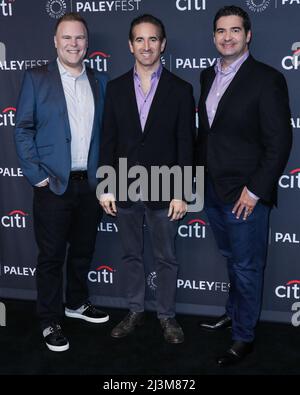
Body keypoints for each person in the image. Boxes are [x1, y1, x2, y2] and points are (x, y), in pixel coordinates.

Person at [196, 5, 292, 366]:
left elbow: (279, 142)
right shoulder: (208, 76)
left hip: (245, 195)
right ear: (214, 37)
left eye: (235, 30)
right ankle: (234, 313)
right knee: (231, 260)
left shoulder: (267, 79)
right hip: (212, 189)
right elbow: (207, 134)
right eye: (221, 31)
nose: (227, 37)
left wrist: (254, 191)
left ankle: (244, 337)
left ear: (248, 35)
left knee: (248, 266)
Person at [14, 13, 109, 352]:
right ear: (55, 42)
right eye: (67, 37)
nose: (73, 43)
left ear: (87, 43)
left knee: (83, 251)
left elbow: (105, 135)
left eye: (79, 38)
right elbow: (23, 129)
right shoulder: (37, 78)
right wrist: (36, 175)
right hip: (53, 185)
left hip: (90, 185)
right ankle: (49, 319)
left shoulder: (99, 80)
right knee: (52, 256)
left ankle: (77, 303)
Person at [99, 14, 195, 344]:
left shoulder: (181, 89)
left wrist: (182, 191)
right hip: (124, 184)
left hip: (165, 186)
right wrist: (106, 185)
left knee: (166, 257)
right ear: (130, 45)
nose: (146, 46)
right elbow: (107, 140)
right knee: (130, 255)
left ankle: (167, 317)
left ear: (163, 44)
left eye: (153, 39)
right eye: (140, 39)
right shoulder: (114, 89)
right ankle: (135, 310)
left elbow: (186, 143)